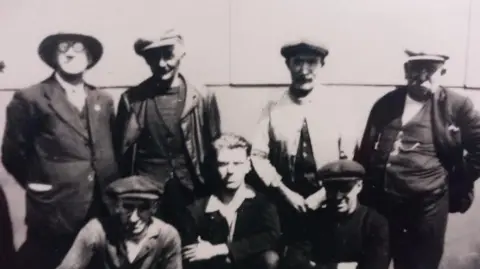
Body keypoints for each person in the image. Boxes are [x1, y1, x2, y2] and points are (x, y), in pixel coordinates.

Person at [354, 49, 480, 269]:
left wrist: (454, 180)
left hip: (427, 207)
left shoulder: (457, 106)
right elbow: (366, 150)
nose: (421, 76)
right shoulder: (386, 103)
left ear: (443, 72)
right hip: (383, 204)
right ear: (405, 71)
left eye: (430, 69)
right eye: (415, 69)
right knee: (373, 262)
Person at [2, 32, 118, 269]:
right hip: (54, 210)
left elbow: (112, 147)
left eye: (78, 47)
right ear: (53, 57)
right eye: (62, 47)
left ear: (89, 57)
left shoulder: (103, 100)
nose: (70, 52)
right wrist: (41, 183)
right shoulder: (31, 99)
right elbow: (13, 155)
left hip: (100, 207)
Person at [251, 38, 357, 243]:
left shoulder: (338, 105)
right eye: (298, 62)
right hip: (287, 201)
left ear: (322, 65)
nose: (304, 70)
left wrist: (323, 195)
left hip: (330, 201)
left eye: (312, 62)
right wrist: (284, 192)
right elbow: (258, 155)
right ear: (288, 65)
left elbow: (347, 158)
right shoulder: (273, 107)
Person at [115, 28, 221, 227]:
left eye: (168, 55)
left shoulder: (202, 97)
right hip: (147, 196)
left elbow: (214, 148)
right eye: (153, 57)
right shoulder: (132, 100)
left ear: (181, 54)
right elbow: (121, 154)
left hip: (192, 193)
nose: (162, 64)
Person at [180, 134, 281, 269]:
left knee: (270, 258)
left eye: (237, 163)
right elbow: (190, 252)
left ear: (248, 166)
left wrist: (220, 249)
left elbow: (271, 237)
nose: (230, 171)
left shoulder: (262, 204)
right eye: (223, 164)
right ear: (215, 167)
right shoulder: (198, 209)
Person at [56, 175, 182, 269]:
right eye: (127, 207)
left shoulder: (167, 236)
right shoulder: (96, 231)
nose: (134, 218)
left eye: (143, 208)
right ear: (117, 206)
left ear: (154, 207)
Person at [283, 160, 390, 269]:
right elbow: (294, 262)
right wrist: (336, 267)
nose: (338, 197)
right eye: (331, 189)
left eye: (345, 189)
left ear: (359, 186)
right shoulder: (313, 220)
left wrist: (316, 266)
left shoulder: (375, 223)